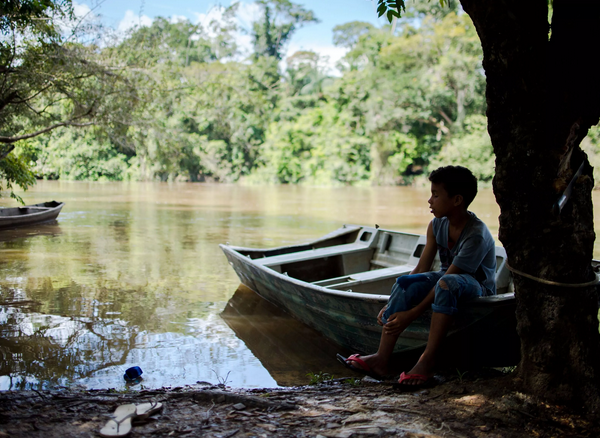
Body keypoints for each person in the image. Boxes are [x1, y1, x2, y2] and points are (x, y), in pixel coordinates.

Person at [338, 165, 497, 389]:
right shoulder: (436, 225)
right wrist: (392, 302)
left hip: (477, 288)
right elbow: (421, 268)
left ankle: (427, 361)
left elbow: (450, 278)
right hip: (446, 280)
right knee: (405, 282)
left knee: (446, 284)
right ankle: (381, 359)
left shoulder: (476, 234)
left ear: (457, 200)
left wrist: (411, 314)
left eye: (435, 194)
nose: (429, 201)